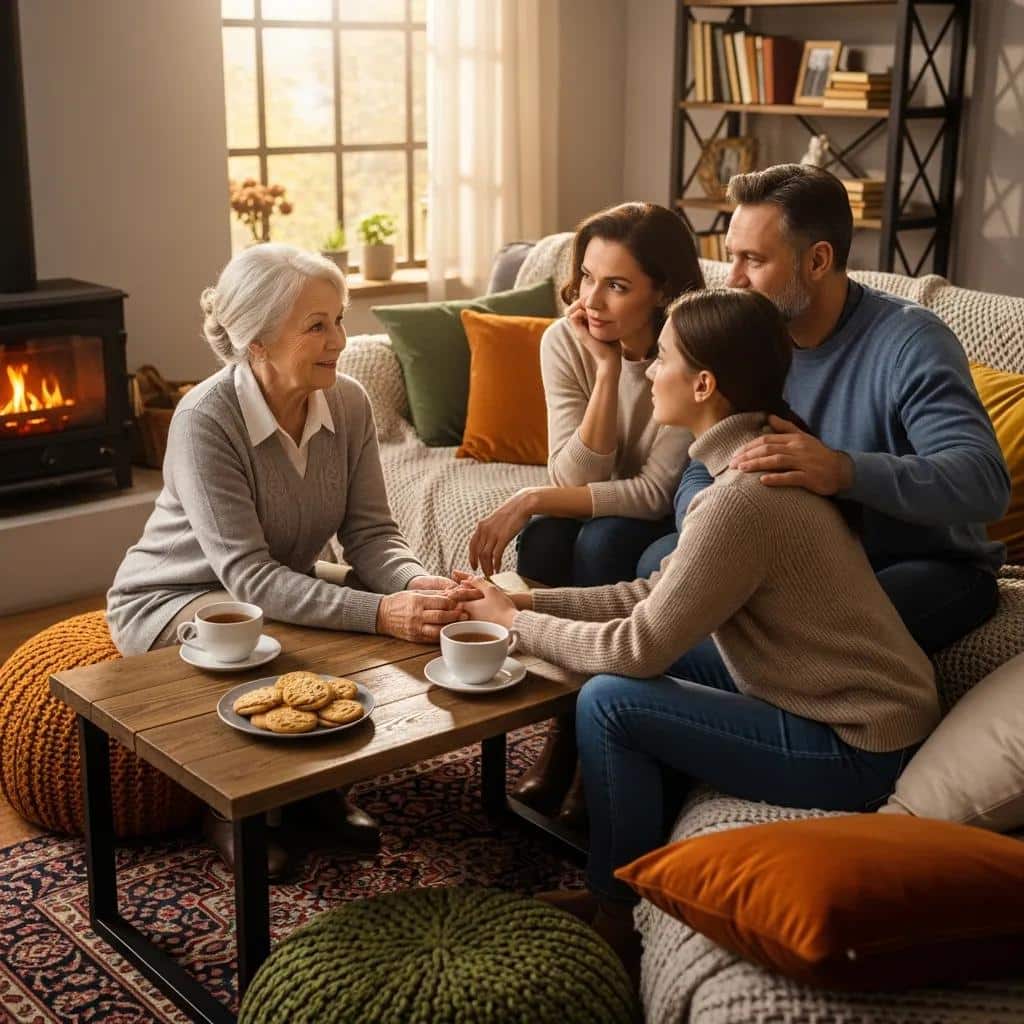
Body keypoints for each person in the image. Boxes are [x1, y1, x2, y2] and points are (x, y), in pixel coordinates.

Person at [455, 287, 941, 982]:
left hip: (859, 747)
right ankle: (624, 864)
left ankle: (617, 913)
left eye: (662, 359)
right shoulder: (748, 465)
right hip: (831, 704)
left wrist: (515, 626)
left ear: (705, 384)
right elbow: (653, 596)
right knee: (660, 654)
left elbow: (635, 648)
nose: (648, 370)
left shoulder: (741, 498)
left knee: (610, 700)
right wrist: (519, 597)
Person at [107, 243, 471, 877]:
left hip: (278, 581)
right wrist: (385, 611)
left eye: (339, 318)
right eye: (317, 325)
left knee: (357, 616)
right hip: (176, 597)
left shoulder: (350, 401)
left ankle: (317, 793)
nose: (340, 338)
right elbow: (246, 579)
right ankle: (231, 811)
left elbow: (371, 533)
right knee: (273, 638)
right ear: (258, 341)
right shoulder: (204, 419)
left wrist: (420, 584)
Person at [638, 164, 1010, 655]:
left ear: (817, 261)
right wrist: (711, 526)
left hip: (919, 564)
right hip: (794, 555)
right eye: (732, 257)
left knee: (795, 623)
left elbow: (983, 482)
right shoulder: (752, 337)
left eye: (754, 259)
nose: (734, 279)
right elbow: (704, 460)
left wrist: (843, 471)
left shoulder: (912, 341)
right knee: (656, 561)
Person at [467, 202, 704, 825]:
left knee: (596, 543)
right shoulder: (565, 341)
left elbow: (654, 492)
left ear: (664, 292)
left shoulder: (691, 352)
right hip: (599, 503)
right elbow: (574, 474)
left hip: (662, 516)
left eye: (618, 286)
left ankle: (585, 737)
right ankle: (565, 727)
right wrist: (605, 370)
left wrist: (528, 497)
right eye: (588, 278)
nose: (592, 301)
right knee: (546, 540)